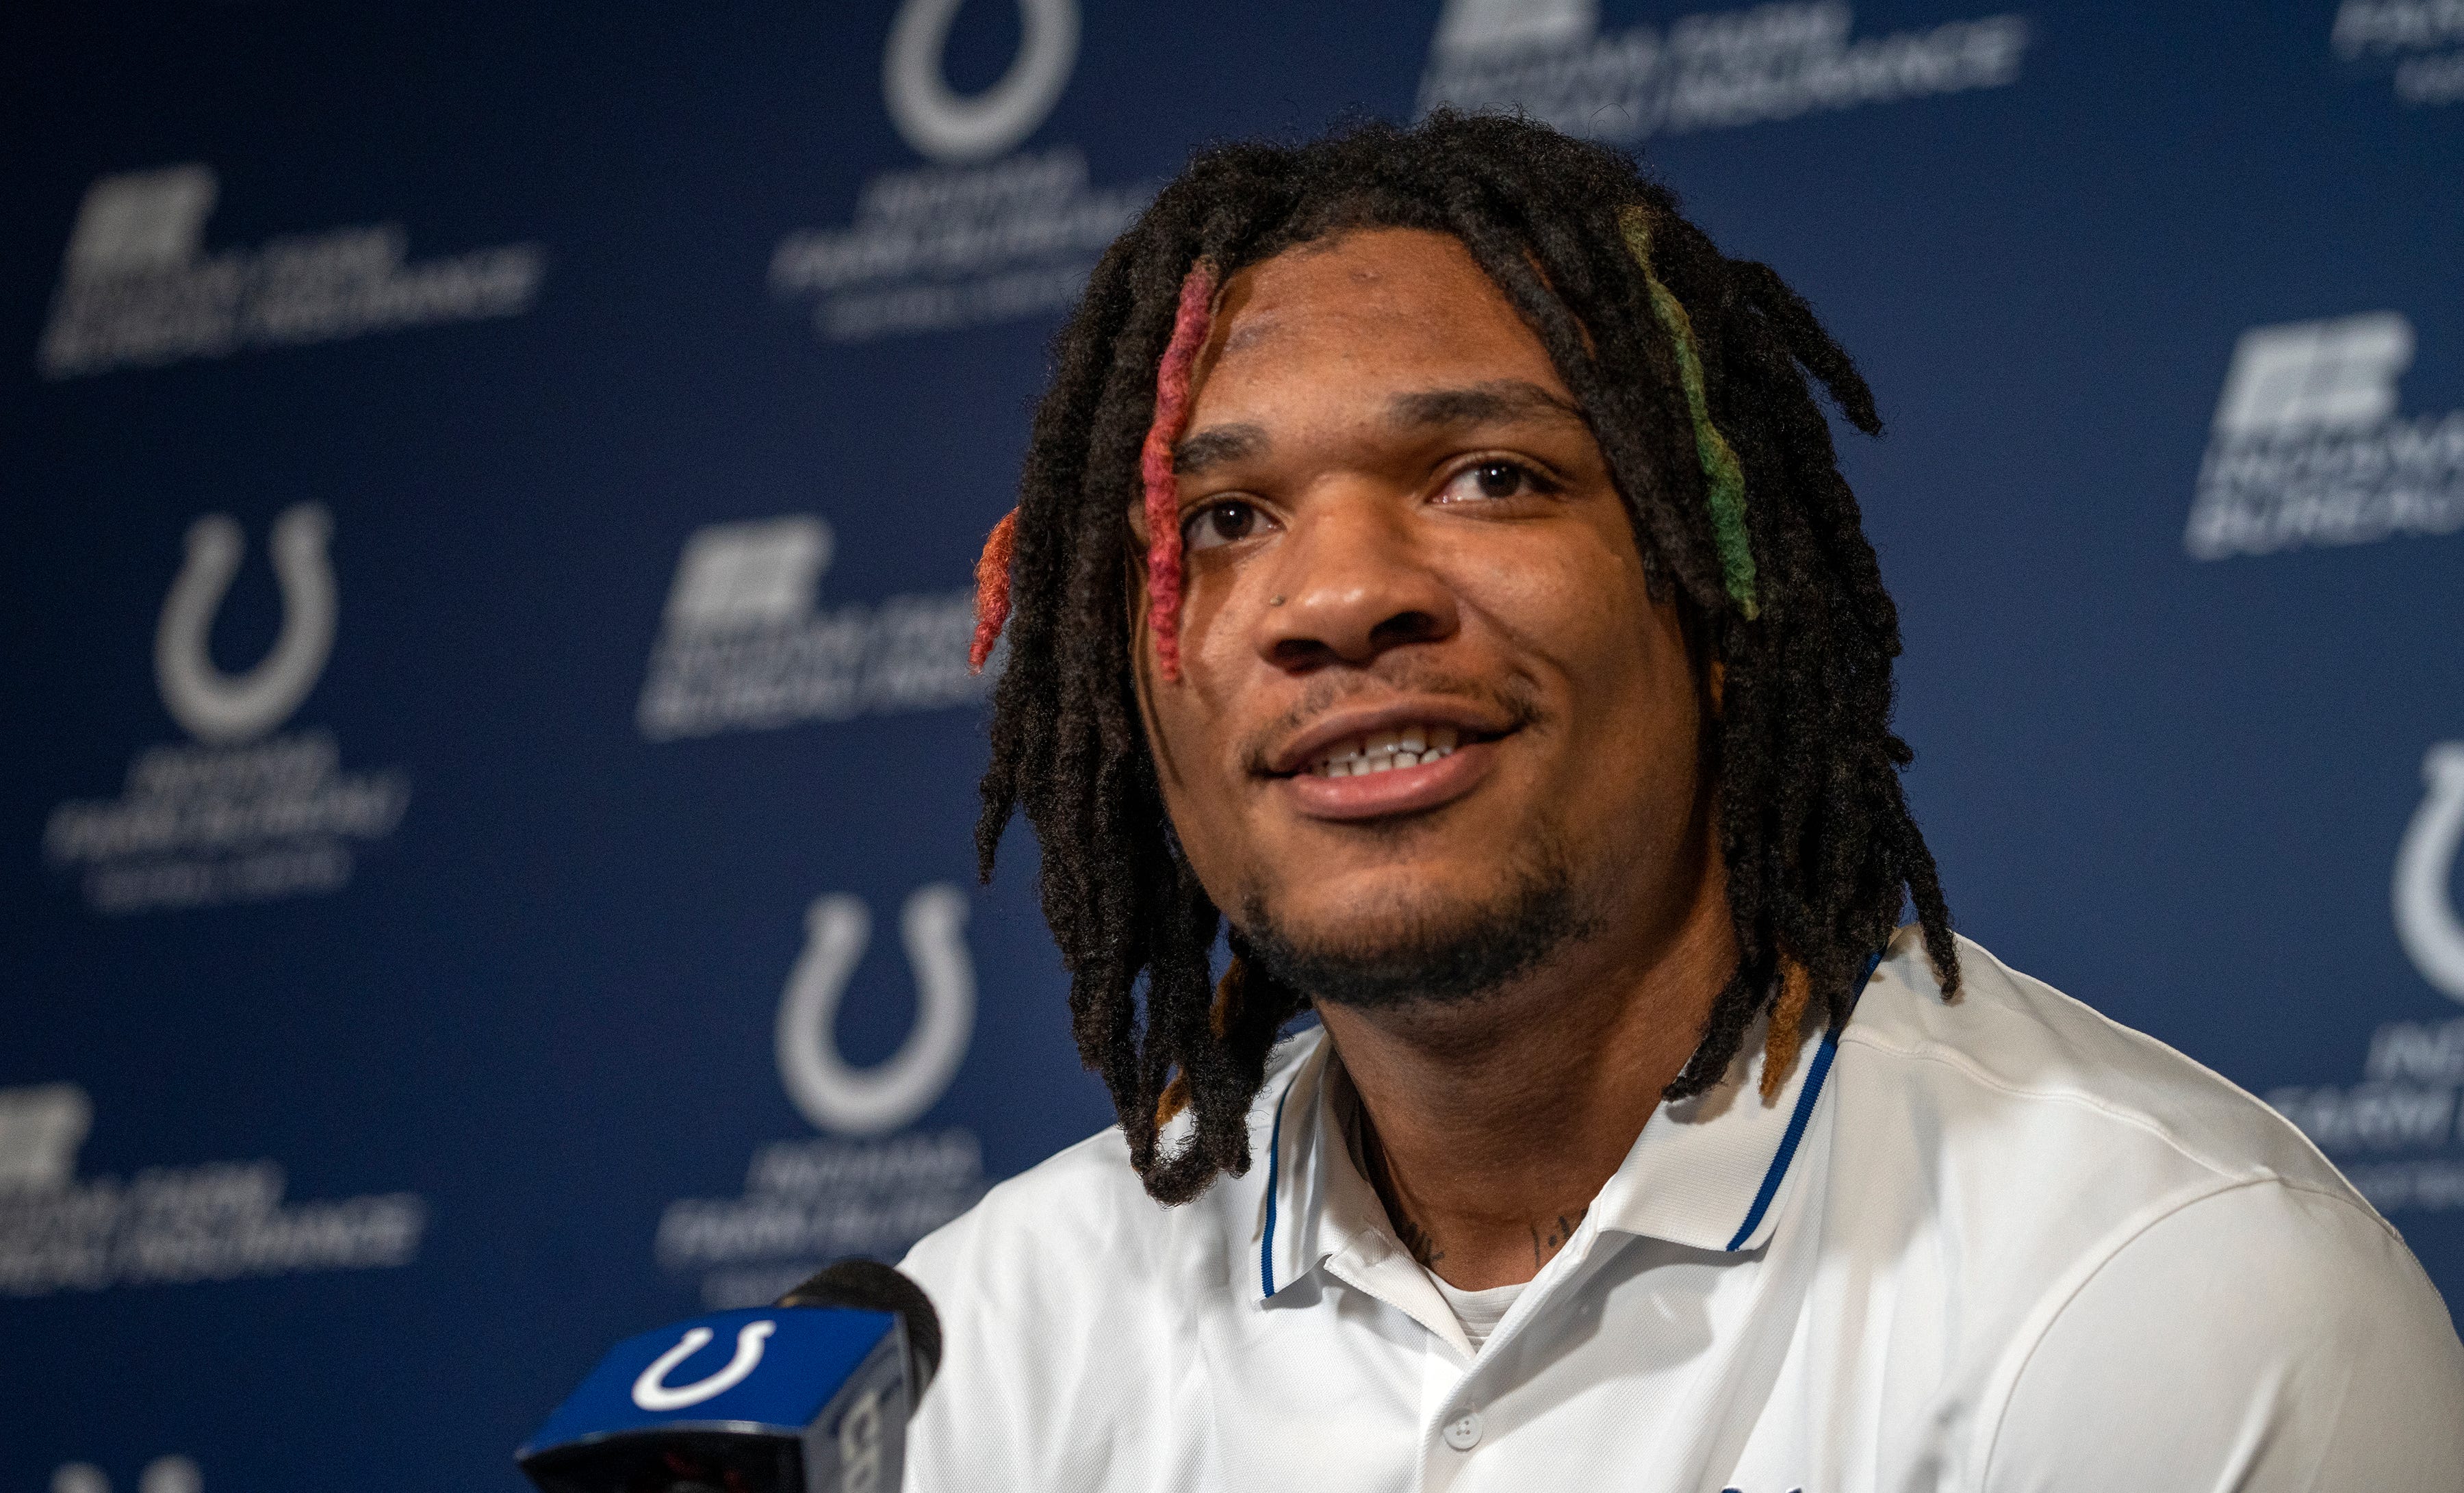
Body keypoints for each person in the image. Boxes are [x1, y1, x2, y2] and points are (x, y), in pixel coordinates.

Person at [899, 112, 2464, 1490]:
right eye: (1224, 518)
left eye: (1490, 475)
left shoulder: (2165, 1294)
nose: (1340, 594)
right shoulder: (975, 1354)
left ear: (1716, 589)